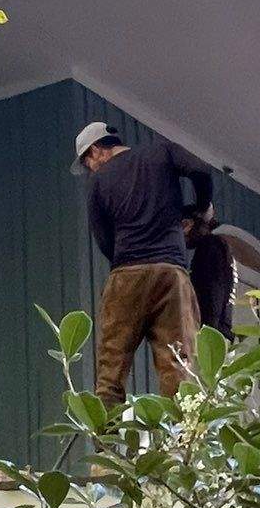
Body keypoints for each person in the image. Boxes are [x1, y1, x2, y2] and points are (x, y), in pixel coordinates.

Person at [73, 119, 200, 398]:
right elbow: (201, 170)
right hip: (172, 274)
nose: (89, 169)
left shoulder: (98, 181)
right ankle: (182, 440)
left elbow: (104, 239)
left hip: (127, 274)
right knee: (179, 369)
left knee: (111, 372)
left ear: (95, 151)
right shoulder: (161, 153)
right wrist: (200, 209)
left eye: (86, 163)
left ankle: (105, 442)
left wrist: (126, 263)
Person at [180, 178, 236, 339]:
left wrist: (206, 333)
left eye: (183, 226)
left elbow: (213, 289)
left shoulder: (210, 247)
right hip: (219, 333)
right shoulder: (218, 247)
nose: (182, 235)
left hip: (211, 335)